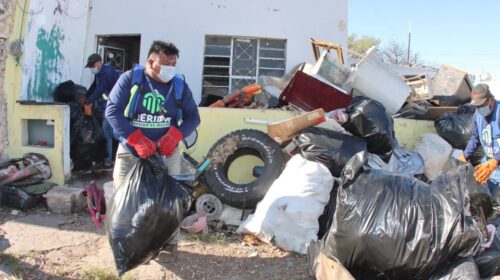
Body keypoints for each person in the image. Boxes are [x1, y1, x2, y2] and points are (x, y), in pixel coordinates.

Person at [105, 41, 200, 259]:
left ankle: (168, 243)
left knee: (169, 201)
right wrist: (135, 137)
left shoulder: (178, 85)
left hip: (168, 154)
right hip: (131, 151)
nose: (171, 69)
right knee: (124, 199)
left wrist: (176, 135)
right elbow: (112, 111)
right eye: (166, 64)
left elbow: (193, 117)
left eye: (174, 64)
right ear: (150, 61)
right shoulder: (130, 79)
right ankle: (125, 249)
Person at [461, 83, 500, 196]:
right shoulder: (477, 115)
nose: (480, 109)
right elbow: (475, 138)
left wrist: (496, 160)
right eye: (477, 106)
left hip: (495, 161)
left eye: (482, 105)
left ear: (491, 99)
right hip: (488, 163)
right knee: (485, 194)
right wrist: (466, 155)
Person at [84, 53, 120, 166]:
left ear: (99, 63)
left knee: (107, 133)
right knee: (110, 133)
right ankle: (113, 156)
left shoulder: (107, 73)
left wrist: (89, 101)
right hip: (108, 107)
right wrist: (86, 95)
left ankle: (109, 160)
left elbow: (100, 89)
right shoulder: (99, 73)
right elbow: (94, 85)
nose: (91, 68)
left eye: (92, 65)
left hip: (114, 107)